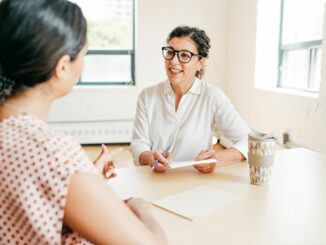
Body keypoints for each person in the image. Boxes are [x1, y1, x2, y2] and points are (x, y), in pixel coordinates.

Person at [0, 0, 167, 244]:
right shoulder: (53, 154)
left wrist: (83, 179)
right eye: (84, 55)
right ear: (63, 67)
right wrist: (140, 208)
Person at [130, 25, 250, 173]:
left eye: (185, 55)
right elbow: (138, 144)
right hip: (155, 178)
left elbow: (249, 141)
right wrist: (150, 158)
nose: (173, 61)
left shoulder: (212, 96)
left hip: (195, 180)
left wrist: (216, 159)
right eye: (170, 52)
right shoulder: (147, 96)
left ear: (200, 62)